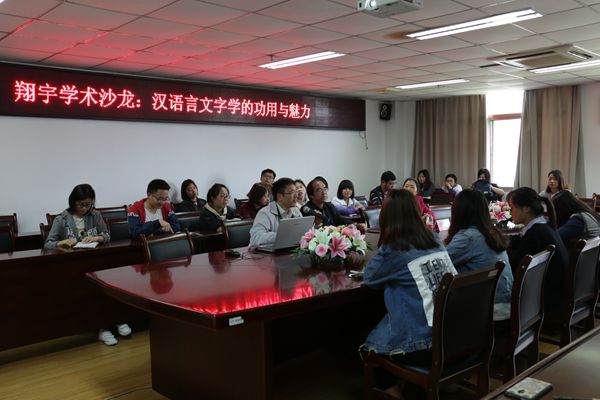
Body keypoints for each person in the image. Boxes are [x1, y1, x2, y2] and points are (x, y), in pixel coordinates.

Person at [360, 189, 457, 365]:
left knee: (365, 341)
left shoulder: (395, 247)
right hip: (451, 333)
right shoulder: (433, 238)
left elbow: (369, 277)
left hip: (420, 344)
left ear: (386, 216)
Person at [444, 189, 514, 320]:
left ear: (459, 212)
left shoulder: (468, 237)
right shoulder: (491, 232)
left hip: (491, 311)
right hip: (506, 305)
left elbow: (441, 262)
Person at [507, 187, 568, 312]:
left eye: (512, 207)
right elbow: (519, 241)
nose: (510, 212)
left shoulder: (536, 234)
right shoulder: (543, 225)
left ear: (526, 208)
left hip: (546, 301)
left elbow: (515, 263)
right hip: (556, 294)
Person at [44, 184, 110, 250]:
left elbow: (107, 236)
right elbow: (47, 244)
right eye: (80, 204)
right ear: (73, 202)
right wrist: (61, 242)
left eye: (88, 204)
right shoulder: (61, 219)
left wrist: (96, 238)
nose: (84, 208)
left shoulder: (95, 215)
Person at [249, 177, 303, 247]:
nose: (296, 195)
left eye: (296, 192)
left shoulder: (296, 211)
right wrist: (281, 235)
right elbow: (256, 238)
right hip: (264, 252)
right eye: (292, 192)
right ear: (280, 196)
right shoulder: (265, 213)